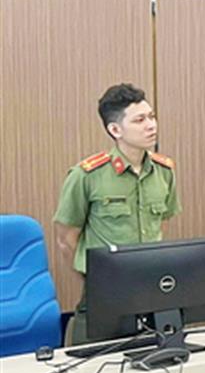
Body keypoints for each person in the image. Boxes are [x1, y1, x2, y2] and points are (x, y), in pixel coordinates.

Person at [53, 83, 181, 345]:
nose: (151, 126)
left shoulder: (164, 171)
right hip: (104, 293)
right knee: (94, 369)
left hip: (152, 287)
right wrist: (92, 279)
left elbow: (160, 223)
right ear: (115, 130)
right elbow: (66, 240)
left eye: (152, 116)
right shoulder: (86, 175)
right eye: (140, 120)